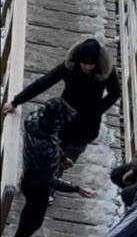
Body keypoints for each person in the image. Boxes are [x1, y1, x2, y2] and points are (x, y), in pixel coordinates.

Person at [3, 98, 94, 237]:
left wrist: (61, 158)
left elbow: (51, 138)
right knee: (33, 220)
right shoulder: (42, 150)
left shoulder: (35, 118)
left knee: (31, 218)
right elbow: (50, 180)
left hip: (29, 176)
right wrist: (77, 188)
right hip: (37, 186)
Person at [3, 38, 120, 174]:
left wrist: (97, 111)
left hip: (87, 125)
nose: (87, 67)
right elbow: (44, 82)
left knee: (66, 160)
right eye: (84, 63)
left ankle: (54, 181)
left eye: (91, 64)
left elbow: (115, 93)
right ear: (78, 59)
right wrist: (16, 101)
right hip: (63, 118)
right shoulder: (70, 67)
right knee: (51, 153)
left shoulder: (106, 71)